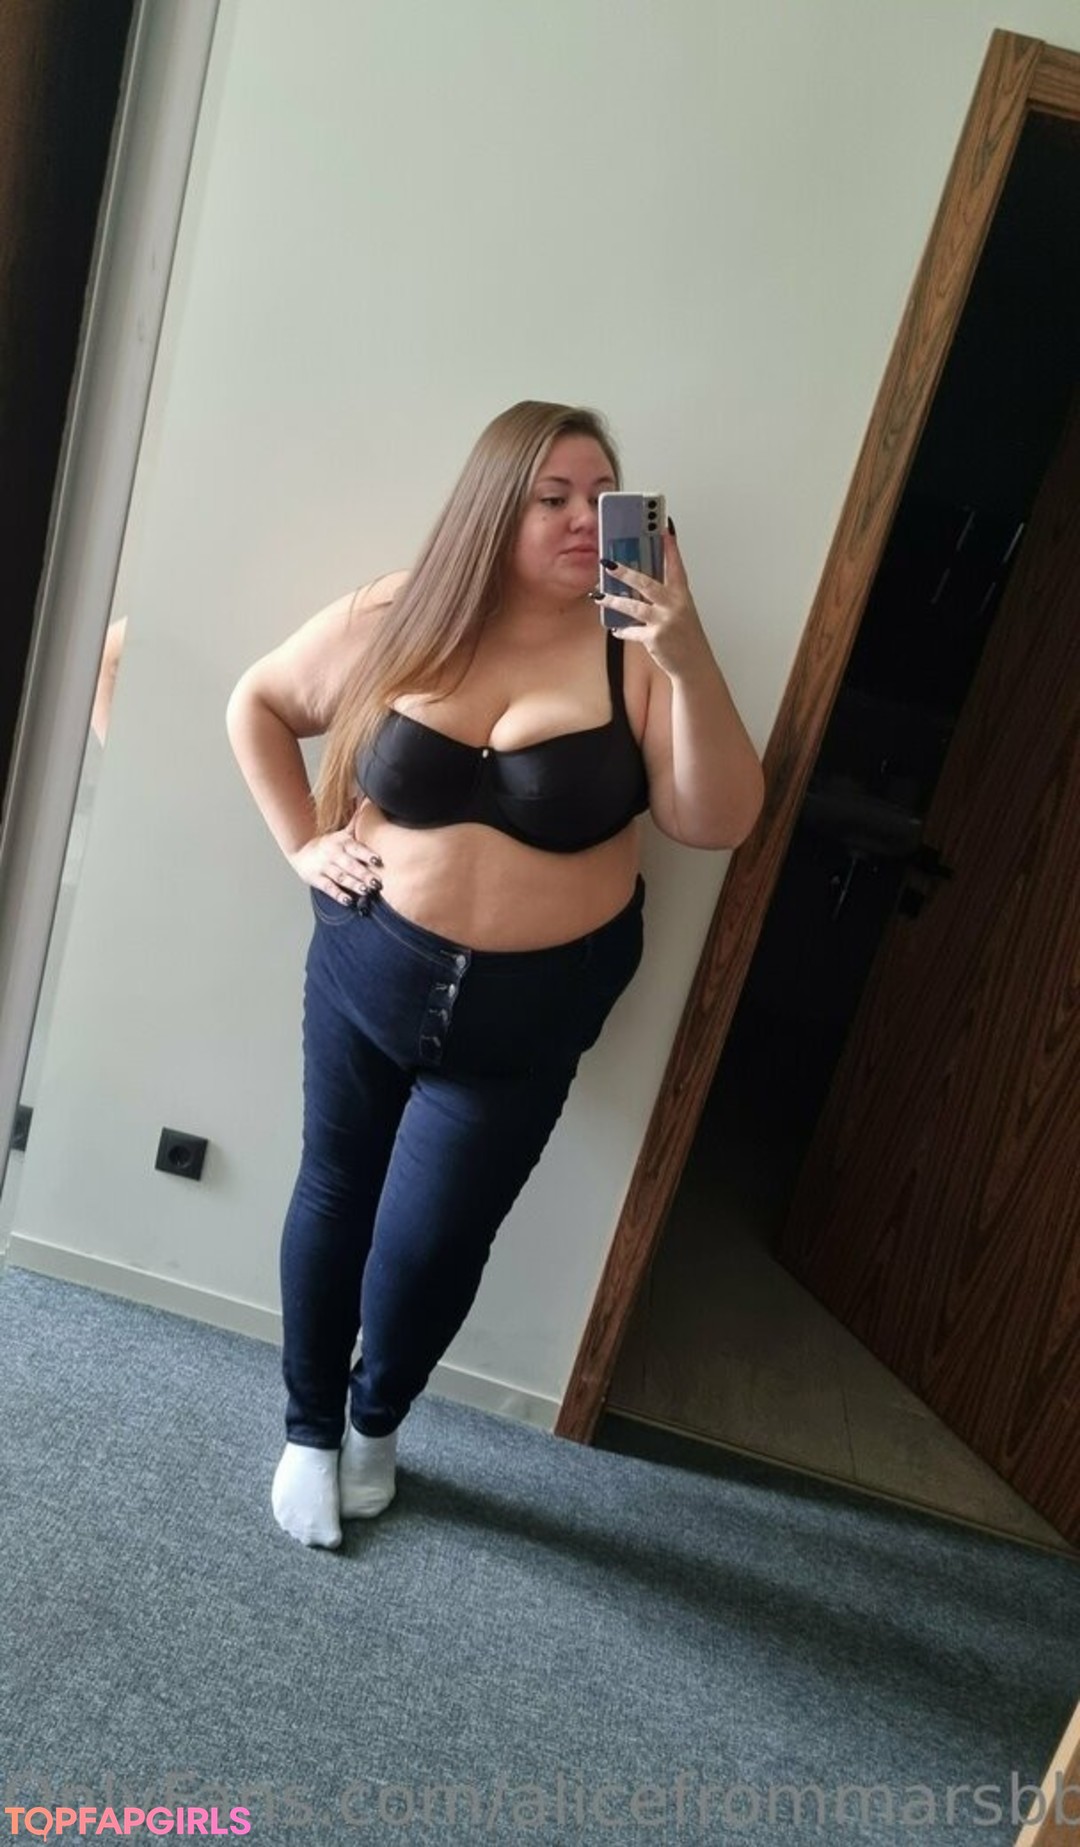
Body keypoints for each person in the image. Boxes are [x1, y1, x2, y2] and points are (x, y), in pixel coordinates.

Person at [225, 400, 765, 1548]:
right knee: (333, 1191)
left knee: (432, 1242)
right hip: (368, 967)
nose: (581, 518)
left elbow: (716, 820)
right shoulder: (400, 612)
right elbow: (259, 703)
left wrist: (686, 651)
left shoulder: (636, 651)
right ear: (492, 506)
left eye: (602, 496)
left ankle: (376, 1418)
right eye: (550, 496)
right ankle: (308, 1425)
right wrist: (302, 843)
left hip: (531, 1013)